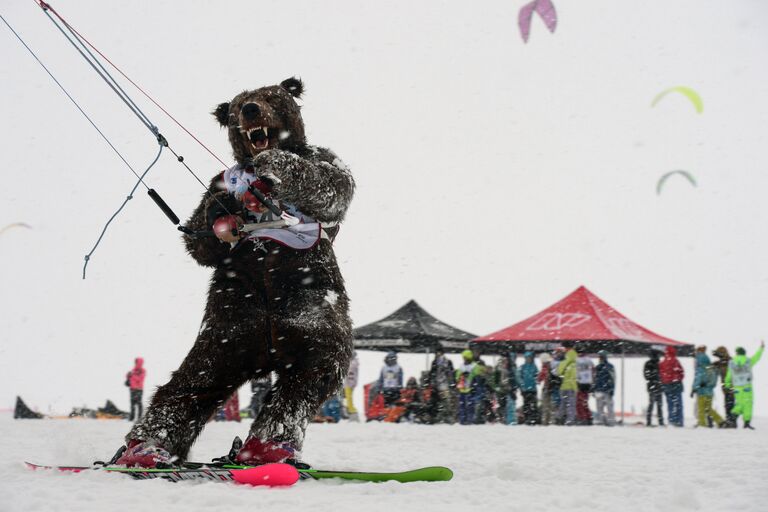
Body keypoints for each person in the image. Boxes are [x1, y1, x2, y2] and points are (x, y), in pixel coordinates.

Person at [725, 341, 764, 429]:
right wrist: (761, 348)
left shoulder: (731, 363)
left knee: (739, 403)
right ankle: (746, 422)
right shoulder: (748, 361)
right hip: (747, 386)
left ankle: (733, 417)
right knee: (748, 403)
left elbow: (728, 375)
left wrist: (727, 385)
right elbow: (756, 357)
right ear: (744, 353)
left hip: (737, 387)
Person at [691, 352, 724, 428]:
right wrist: (708, 385)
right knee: (708, 409)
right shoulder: (712, 369)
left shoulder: (701, 369)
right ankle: (720, 420)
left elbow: (698, 380)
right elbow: (714, 382)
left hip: (702, 392)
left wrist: (694, 389)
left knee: (701, 409)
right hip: (710, 392)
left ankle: (702, 423)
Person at [429, 348, 456, 424]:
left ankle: (447, 416)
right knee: (436, 401)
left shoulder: (447, 362)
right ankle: (437, 416)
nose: (438, 354)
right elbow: (432, 373)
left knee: (446, 401)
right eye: (437, 353)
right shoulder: (434, 362)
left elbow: (451, 373)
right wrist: (431, 382)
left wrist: (452, 383)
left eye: (439, 352)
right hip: (436, 385)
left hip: (445, 384)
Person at [660, 346, 685, 427]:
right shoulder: (675, 361)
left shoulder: (663, 362)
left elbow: (661, 374)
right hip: (676, 385)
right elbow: (682, 372)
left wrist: (665, 381)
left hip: (667, 386)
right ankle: (679, 421)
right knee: (678, 404)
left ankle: (671, 420)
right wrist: (677, 379)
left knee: (670, 404)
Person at [711, 346, 736, 427]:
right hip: (726, 387)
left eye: (719, 353)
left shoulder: (729, 361)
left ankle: (731, 422)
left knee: (730, 404)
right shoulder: (723, 361)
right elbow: (714, 366)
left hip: (731, 386)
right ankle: (730, 421)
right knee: (728, 404)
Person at [455, 350, 480, 425]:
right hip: (462, 388)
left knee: (470, 405)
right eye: (463, 357)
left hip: (470, 389)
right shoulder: (461, 366)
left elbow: (477, 377)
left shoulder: (475, 366)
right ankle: (463, 420)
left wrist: (470, 375)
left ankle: (470, 420)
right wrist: (461, 375)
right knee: (462, 405)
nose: (464, 359)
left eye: (465, 357)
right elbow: (457, 376)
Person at [594, 350, 616, 426]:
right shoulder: (599, 367)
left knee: (605, 407)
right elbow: (595, 379)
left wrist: (612, 389)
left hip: (605, 390)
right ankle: (605, 421)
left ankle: (608, 421)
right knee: (601, 408)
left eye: (601, 356)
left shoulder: (608, 367)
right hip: (601, 389)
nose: (600, 358)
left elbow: (612, 379)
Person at [557, 346, 578, 425]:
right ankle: (570, 420)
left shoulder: (563, 362)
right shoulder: (575, 364)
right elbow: (575, 377)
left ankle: (559, 418)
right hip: (572, 387)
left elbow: (559, 373)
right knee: (571, 405)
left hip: (563, 386)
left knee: (563, 403)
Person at [643, 350, 664, 426]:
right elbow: (646, 376)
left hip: (655, 386)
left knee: (657, 405)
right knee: (655, 405)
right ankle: (653, 421)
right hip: (655, 386)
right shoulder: (653, 363)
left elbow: (647, 376)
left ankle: (656, 421)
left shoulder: (651, 363)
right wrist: (656, 376)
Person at [517, 351, 539, 425]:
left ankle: (534, 418)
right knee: (526, 404)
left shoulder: (534, 366)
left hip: (533, 389)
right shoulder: (522, 367)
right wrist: (522, 386)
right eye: (527, 358)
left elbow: (537, 376)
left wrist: (535, 380)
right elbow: (519, 377)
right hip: (525, 389)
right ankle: (527, 418)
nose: (528, 359)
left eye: (530, 358)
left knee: (533, 404)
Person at [575, 350, 594, 425]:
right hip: (587, 383)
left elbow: (575, 371)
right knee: (584, 402)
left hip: (580, 383)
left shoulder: (576, 360)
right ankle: (588, 417)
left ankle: (583, 418)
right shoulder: (589, 360)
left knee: (580, 403)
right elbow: (593, 371)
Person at [125, 357, 146, 422]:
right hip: (132, 389)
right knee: (132, 403)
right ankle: (132, 417)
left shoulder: (142, 370)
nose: (135, 363)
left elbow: (140, 379)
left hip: (139, 389)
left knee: (139, 403)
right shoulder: (133, 370)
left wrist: (132, 375)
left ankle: (139, 417)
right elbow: (129, 377)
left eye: (136, 362)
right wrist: (128, 375)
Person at [537, 353, 554, 425]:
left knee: (546, 407)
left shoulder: (545, 367)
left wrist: (538, 379)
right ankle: (551, 421)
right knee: (551, 407)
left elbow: (539, 378)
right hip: (553, 389)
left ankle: (546, 422)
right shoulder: (553, 365)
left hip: (547, 389)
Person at [343, 351, 359, 421]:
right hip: (348, 383)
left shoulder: (353, 363)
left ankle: (352, 412)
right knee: (348, 398)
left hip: (349, 383)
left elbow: (350, 373)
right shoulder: (353, 363)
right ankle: (350, 411)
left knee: (349, 399)